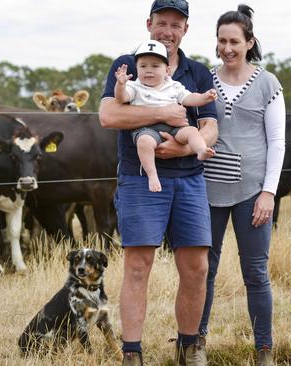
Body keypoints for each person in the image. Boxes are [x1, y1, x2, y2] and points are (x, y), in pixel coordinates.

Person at [99, 0, 218, 364]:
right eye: (161, 23)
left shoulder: (197, 72)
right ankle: (132, 352)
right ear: (149, 23)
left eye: (176, 25)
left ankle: (188, 346)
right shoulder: (129, 63)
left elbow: (210, 126)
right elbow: (108, 114)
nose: (168, 31)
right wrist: (162, 113)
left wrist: (184, 151)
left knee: (197, 265)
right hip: (139, 178)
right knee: (138, 265)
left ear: (185, 30)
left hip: (189, 179)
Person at [198, 5, 285, 366]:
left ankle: (263, 348)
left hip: (252, 192)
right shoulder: (204, 80)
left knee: (255, 272)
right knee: (203, 270)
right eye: (222, 41)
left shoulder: (268, 83)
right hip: (207, 192)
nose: (227, 48)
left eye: (235, 41)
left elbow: (277, 141)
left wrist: (268, 192)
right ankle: (194, 343)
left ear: (250, 43)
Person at [114, 40, 217, 192]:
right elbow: (121, 98)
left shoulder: (173, 86)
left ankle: (201, 150)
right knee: (144, 143)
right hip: (147, 129)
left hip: (175, 128)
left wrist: (204, 97)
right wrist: (121, 84)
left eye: (155, 66)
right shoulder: (135, 86)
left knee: (192, 131)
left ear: (167, 70)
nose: (148, 70)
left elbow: (188, 98)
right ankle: (152, 174)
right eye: (143, 66)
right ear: (137, 68)